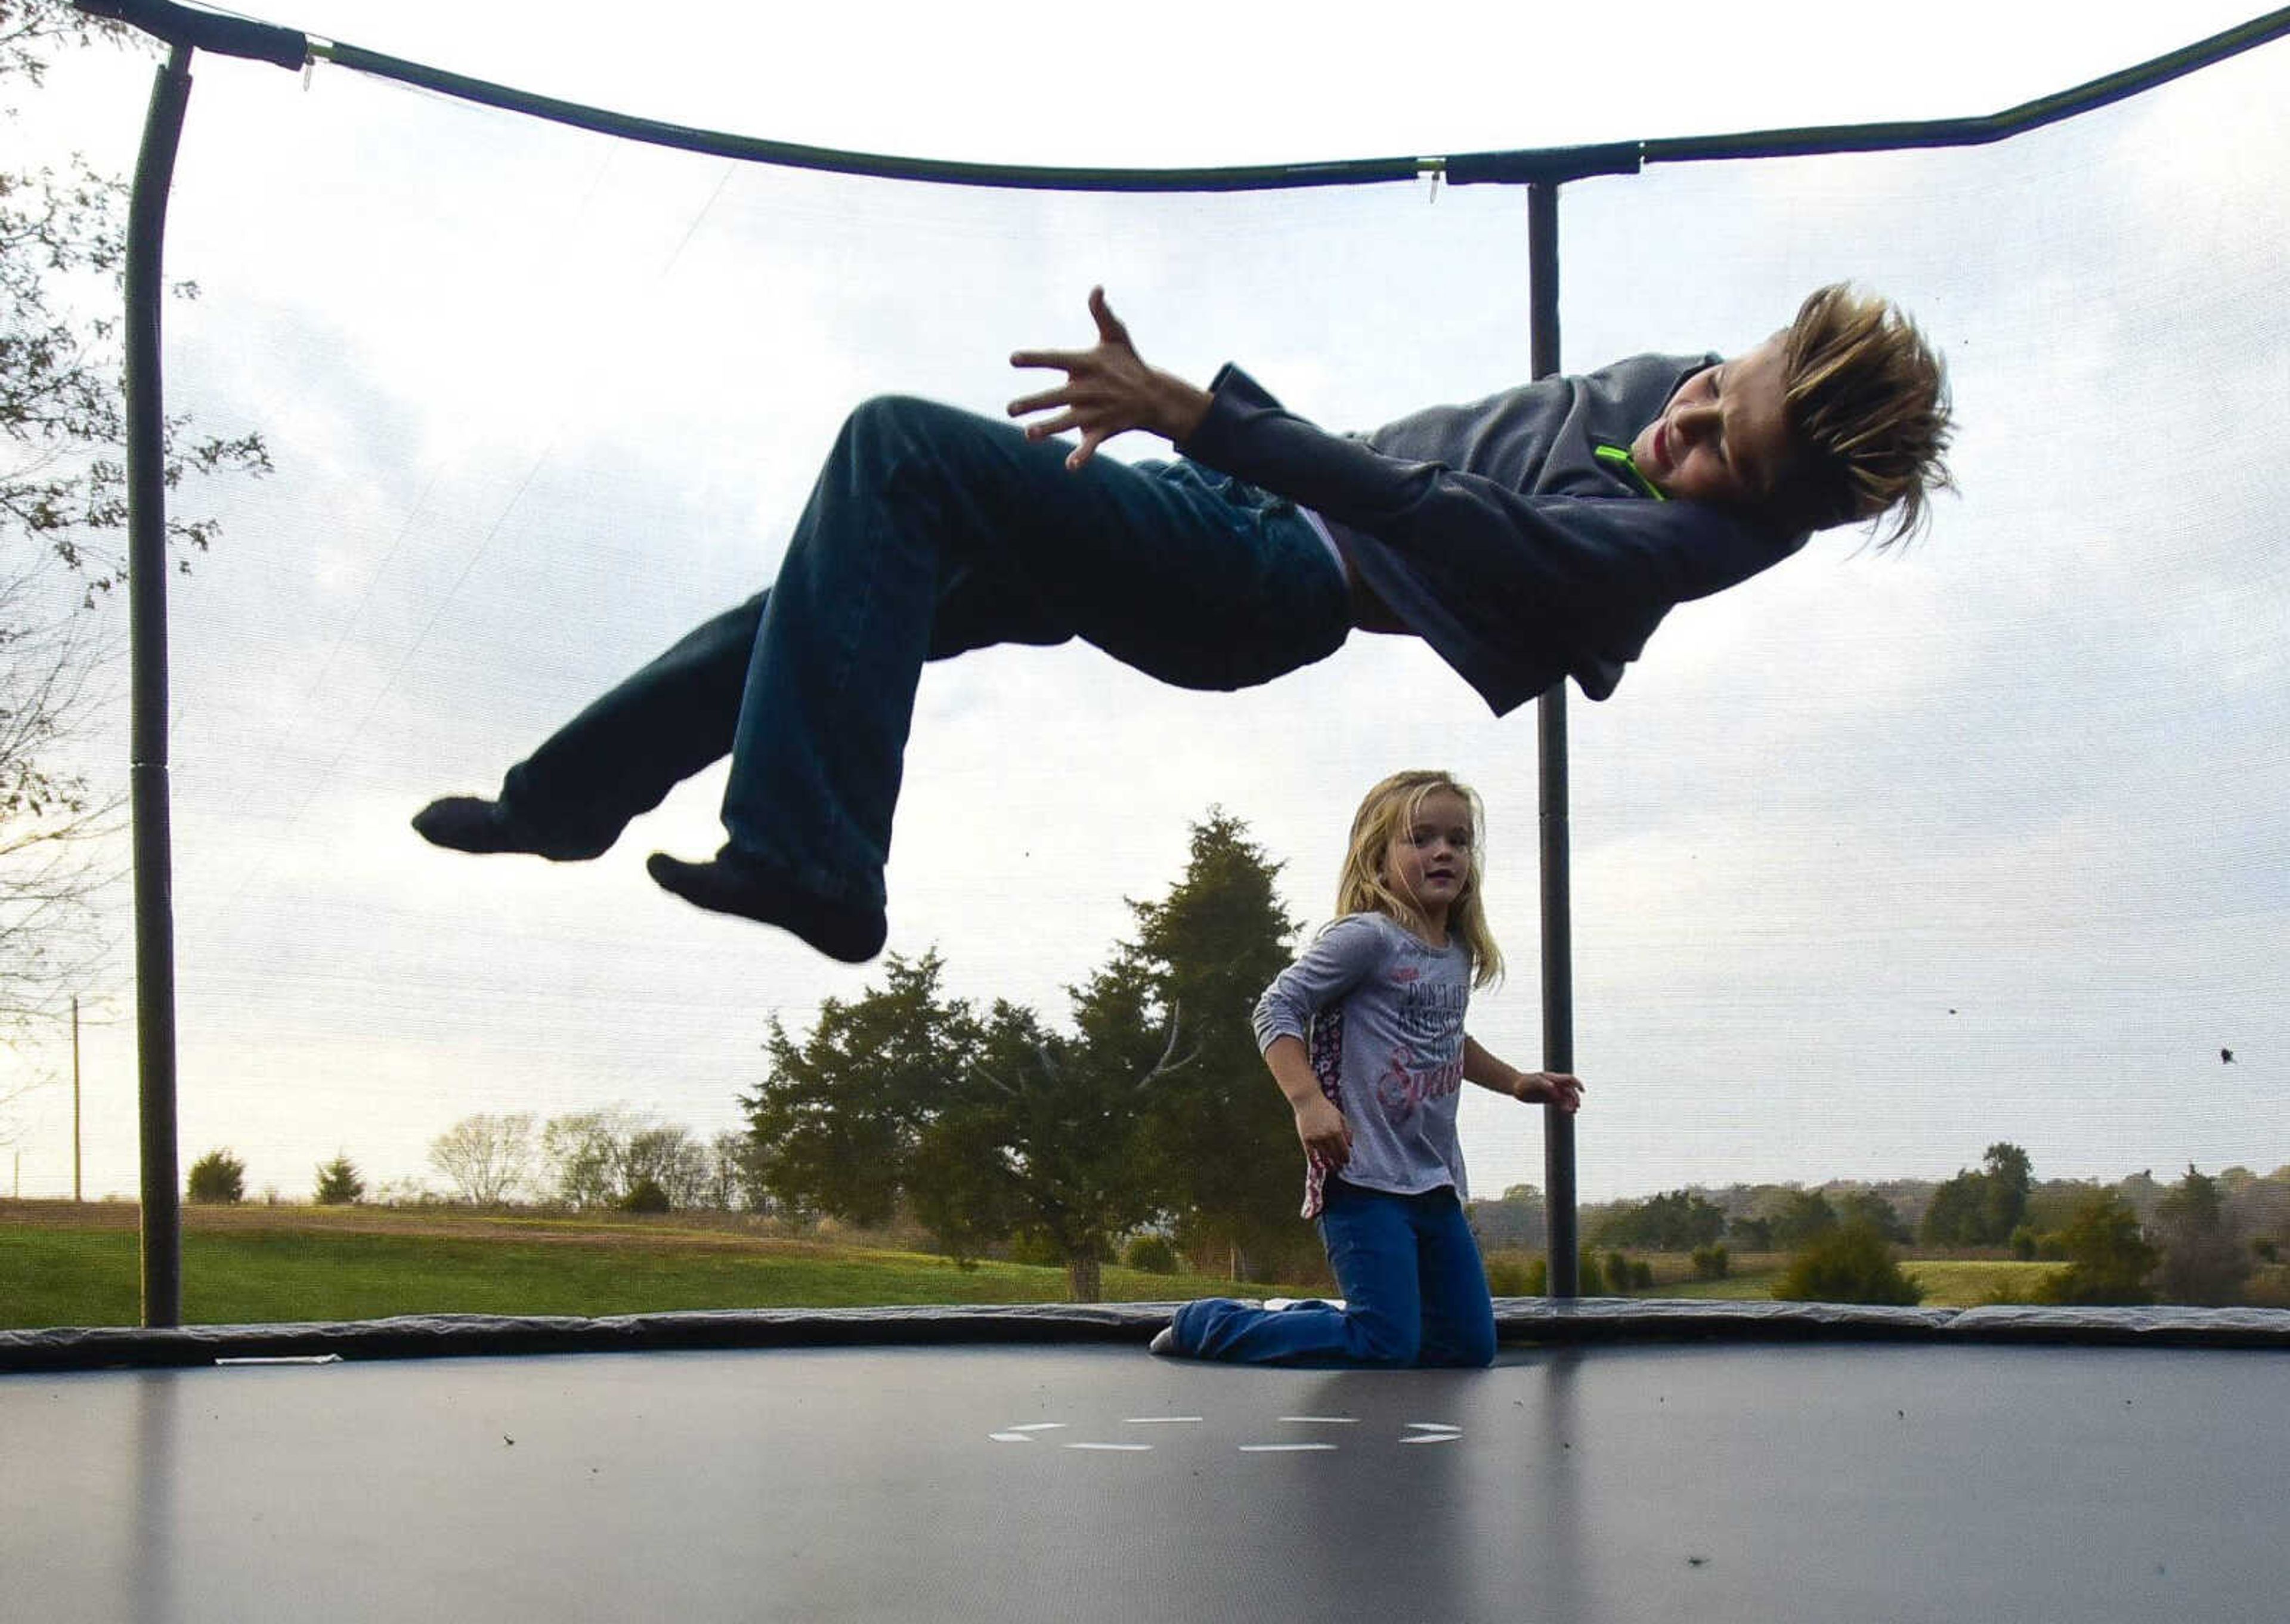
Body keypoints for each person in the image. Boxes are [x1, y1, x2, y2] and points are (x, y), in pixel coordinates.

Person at [413, 284, 1952, 962]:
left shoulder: (1653, 554)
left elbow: (1433, 516)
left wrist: (1200, 417)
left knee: (897, 444)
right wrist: (1782, 381)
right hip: (1236, 523)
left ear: (1764, 510)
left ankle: (819, 861)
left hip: (1263, 576)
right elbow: (1728, 391)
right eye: (1714, 386)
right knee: (836, 581)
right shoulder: (1719, 406)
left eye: (1719, 449)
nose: (1683, 413)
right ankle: (564, 802)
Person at [1151, 769, 1580, 1368]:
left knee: (1469, 1346)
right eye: (1421, 838)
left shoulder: (1455, 952)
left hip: (1432, 1180)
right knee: (1385, 1345)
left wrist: (1515, 1082)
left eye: (1458, 840)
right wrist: (1308, 1101)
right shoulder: (1367, 939)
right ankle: (1210, 1324)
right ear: (1379, 861)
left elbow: (1447, 1038)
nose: (1444, 852)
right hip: (1361, 1176)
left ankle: (1310, 1319)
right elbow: (1276, 1007)